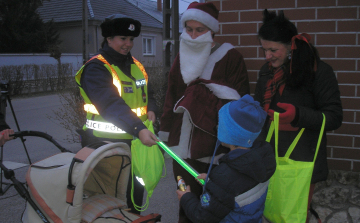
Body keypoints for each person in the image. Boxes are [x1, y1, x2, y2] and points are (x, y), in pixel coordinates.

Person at [159, 2, 250, 222]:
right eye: (189, 29)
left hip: (214, 151)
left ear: (212, 30)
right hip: (180, 153)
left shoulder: (231, 57)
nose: (193, 35)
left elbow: (240, 105)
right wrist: (163, 132)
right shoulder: (181, 57)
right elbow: (171, 96)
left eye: (200, 30)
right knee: (185, 201)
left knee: (212, 207)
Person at [254, 9, 343, 222]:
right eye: (264, 49)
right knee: (272, 214)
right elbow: (260, 111)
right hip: (270, 158)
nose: (267, 56)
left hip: (301, 163)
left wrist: (298, 116)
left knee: (294, 217)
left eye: (273, 50)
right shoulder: (266, 72)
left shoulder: (318, 72)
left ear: (291, 47)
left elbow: (334, 116)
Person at [74, 14, 158, 214]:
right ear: (109, 39)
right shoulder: (96, 68)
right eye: (123, 38)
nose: (128, 44)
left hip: (136, 144)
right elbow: (110, 104)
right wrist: (138, 128)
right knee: (111, 200)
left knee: (135, 194)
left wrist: (152, 108)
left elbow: (148, 92)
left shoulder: (136, 65)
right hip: (106, 146)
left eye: (131, 39)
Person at [176, 94, 276, 223]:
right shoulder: (262, 159)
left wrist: (186, 198)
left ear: (232, 134)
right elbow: (238, 186)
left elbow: (201, 216)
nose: (218, 127)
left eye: (221, 124)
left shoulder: (226, 177)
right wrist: (215, 185)